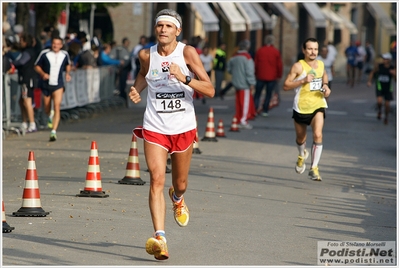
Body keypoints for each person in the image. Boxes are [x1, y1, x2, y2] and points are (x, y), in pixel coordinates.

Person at [128, 8, 214, 260]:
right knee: (156, 178)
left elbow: (209, 89)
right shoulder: (146, 54)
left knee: (181, 183)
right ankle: (160, 238)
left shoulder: (187, 52)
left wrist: (185, 78)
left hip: (183, 127)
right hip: (155, 126)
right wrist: (136, 90)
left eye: (168, 26)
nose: (163, 30)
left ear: (178, 30)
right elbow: (144, 74)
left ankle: (177, 198)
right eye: (159, 26)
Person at [283, 37, 331, 181]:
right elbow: (285, 86)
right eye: (310, 49)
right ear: (304, 50)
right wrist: (303, 80)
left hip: (318, 105)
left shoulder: (321, 65)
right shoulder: (298, 66)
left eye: (315, 49)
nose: (313, 52)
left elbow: (325, 77)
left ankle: (314, 168)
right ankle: (301, 154)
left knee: (318, 135)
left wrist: (327, 87)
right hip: (301, 107)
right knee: (300, 138)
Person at [34, 36, 71, 141]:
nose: (55, 46)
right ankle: (50, 115)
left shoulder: (64, 55)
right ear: (51, 44)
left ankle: (53, 131)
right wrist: (43, 73)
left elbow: (68, 64)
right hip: (46, 84)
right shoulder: (45, 53)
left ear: (61, 45)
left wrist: (68, 73)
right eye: (54, 43)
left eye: (58, 44)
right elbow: (36, 66)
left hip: (58, 84)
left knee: (57, 105)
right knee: (46, 107)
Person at [8, 33, 38, 133]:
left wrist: (11, 64)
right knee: (21, 101)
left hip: (27, 79)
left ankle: (32, 124)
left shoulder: (28, 52)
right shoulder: (29, 51)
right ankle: (24, 122)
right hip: (26, 79)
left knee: (26, 101)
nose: (20, 43)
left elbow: (21, 62)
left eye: (21, 41)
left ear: (26, 42)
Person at [227, 39, 257, 129]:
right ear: (247, 47)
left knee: (239, 103)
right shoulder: (247, 58)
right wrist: (252, 82)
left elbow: (229, 69)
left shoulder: (234, 57)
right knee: (245, 103)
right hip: (245, 84)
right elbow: (249, 71)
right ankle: (243, 120)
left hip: (236, 82)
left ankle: (239, 118)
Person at [253, 34, 283, 117]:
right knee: (268, 94)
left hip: (260, 75)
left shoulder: (260, 50)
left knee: (257, 93)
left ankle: (255, 108)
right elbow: (279, 65)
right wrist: (279, 76)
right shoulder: (275, 51)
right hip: (272, 76)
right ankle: (265, 109)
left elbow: (256, 64)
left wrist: (255, 73)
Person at [367, 53, 396, 125]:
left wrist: (394, 74)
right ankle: (379, 110)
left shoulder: (392, 68)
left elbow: (396, 80)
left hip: (388, 88)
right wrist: (369, 81)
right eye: (384, 59)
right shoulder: (379, 66)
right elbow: (372, 73)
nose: (384, 60)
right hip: (379, 86)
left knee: (387, 104)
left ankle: (386, 117)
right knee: (379, 102)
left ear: (389, 60)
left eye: (386, 59)